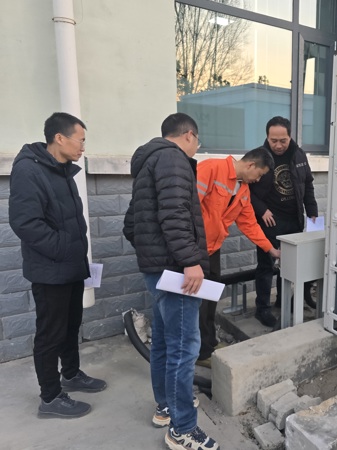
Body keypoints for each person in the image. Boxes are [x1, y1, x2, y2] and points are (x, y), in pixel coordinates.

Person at [123, 113, 219, 450]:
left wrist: (152, 256)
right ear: (189, 135)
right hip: (177, 272)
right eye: (198, 142)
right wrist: (190, 261)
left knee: (165, 342)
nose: (196, 148)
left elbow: (131, 224)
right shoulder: (173, 160)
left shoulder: (149, 162)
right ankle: (183, 430)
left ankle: (166, 407)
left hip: (159, 271)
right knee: (183, 348)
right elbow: (176, 214)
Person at [8, 112, 107, 419]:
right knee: (50, 334)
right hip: (51, 270)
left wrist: (74, 253)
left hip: (71, 266)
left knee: (70, 325)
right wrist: (64, 249)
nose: (83, 147)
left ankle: (71, 374)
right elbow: (25, 223)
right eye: (81, 140)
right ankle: (50, 397)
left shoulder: (62, 169)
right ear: (60, 138)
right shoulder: (29, 170)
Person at [196, 147, 281, 365]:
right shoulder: (211, 169)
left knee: (210, 297)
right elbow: (187, 207)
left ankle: (208, 343)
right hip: (193, 247)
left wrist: (271, 249)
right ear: (251, 165)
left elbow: (249, 224)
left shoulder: (243, 190)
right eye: (259, 175)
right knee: (197, 301)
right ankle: (199, 352)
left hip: (213, 249)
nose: (258, 180)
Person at [250, 116, 319, 326]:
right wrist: (262, 210)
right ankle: (262, 308)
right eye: (274, 141)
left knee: (289, 265)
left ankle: (282, 301)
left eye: (283, 140)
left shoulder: (299, 155)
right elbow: (247, 189)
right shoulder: (258, 156)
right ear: (267, 137)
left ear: (290, 136)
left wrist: (312, 210)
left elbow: (307, 184)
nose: (278, 145)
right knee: (266, 266)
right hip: (269, 222)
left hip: (293, 219)